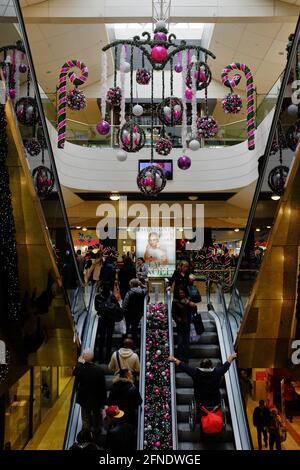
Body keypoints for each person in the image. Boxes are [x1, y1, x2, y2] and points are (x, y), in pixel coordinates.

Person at [168, 352, 237, 407]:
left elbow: (183, 366)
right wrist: (232, 356)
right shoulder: (217, 372)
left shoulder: (196, 373)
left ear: (200, 365)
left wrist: (174, 359)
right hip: (215, 401)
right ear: (211, 366)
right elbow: (226, 366)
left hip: (200, 401)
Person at [73, 348, 107, 439]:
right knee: (97, 416)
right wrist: (104, 402)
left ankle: (86, 435)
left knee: (85, 417)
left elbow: (74, 374)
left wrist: (79, 363)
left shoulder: (80, 368)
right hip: (96, 399)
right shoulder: (99, 370)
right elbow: (103, 388)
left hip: (84, 399)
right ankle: (97, 433)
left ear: (83, 356)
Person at [94, 281, 122, 363]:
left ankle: (100, 359)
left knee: (101, 338)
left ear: (101, 288)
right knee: (109, 339)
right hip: (110, 320)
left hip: (102, 319)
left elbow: (96, 308)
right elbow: (118, 307)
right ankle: (107, 359)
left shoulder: (97, 297)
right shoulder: (112, 297)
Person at [171, 287, 198, 363]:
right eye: (180, 293)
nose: (181, 294)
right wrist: (178, 320)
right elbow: (173, 313)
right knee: (180, 342)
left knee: (186, 342)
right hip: (180, 325)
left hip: (188, 324)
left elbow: (194, 311)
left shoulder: (188, 301)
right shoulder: (175, 302)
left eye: (183, 293)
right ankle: (179, 357)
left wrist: (194, 306)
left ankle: (185, 358)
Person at [122, 279, 147, 346]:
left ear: (132, 285)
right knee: (135, 328)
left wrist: (123, 312)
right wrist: (142, 285)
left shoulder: (129, 293)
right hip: (138, 314)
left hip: (128, 314)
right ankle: (134, 344)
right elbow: (146, 289)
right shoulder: (142, 292)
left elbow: (125, 304)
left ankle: (125, 344)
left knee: (126, 327)